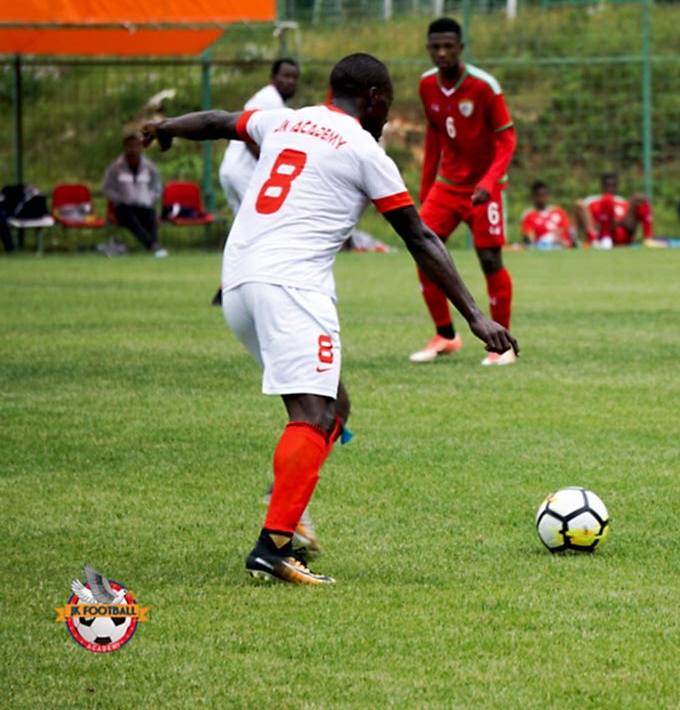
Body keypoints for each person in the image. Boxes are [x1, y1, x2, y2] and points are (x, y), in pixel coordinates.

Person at [141, 52, 518, 586]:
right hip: (291, 285)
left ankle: (288, 515)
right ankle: (274, 545)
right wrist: (476, 316)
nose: (387, 114)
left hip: (240, 283)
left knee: (332, 404)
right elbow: (420, 237)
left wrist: (167, 127)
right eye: (386, 103)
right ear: (371, 98)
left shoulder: (285, 120)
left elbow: (220, 121)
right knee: (315, 414)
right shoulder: (364, 149)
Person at [410, 17, 518, 366]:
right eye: (435, 47)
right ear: (428, 48)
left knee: (489, 260)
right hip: (448, 186)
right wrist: (426, 192)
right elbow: (434, 140)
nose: (441, 53)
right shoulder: (427, 85)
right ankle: (445, 334)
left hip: (485, 187)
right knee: (423, 253)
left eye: (448, 46)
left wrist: (489, 183)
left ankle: (501, 346)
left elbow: (507, 140)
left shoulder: (484, 87)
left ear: (460, 48)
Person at [213, 57, 300, 304]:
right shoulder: (270, 99)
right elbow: (251, 137)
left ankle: (232, 286)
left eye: (294, 77)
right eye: (285, 76)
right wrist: (273, 164)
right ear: (273, 78)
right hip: (244, 172)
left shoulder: (270, 99)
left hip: (232, 170)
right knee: (259, 230)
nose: (290, 81)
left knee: (247, 230)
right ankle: (235, 287)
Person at [101, 130, 166, 256]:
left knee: (150, 215)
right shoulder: (115, 167)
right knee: (131, 219)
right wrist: (118, 199)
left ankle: (153, 243)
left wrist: (150, 198)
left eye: (136, 146)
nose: (133, 149)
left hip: (144, 204)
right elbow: (107, 187)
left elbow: (156, 187)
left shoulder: (149, 167)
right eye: (130, 146)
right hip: (123, 206)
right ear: (125, 147)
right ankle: (151, 244)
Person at [573, 173, 653, 248]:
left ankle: (648, 238)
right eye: (607, 186)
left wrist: (616, 221)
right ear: (602, 186)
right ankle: (592, 240)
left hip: (621, 235)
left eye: (613, 186)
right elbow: (587, 222)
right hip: (599, 234)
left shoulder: (622, 202)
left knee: (639, 198)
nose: (610, 188)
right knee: (580, 203)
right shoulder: (592, 201)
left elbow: (628, 225)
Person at [519, 180, 575, 248]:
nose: (542, 199)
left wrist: (558, 236)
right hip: (544, 246)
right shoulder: (529, 215)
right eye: (539, 195)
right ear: (534, 196)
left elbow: (567, 228)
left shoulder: (558, 211)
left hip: (563, 244)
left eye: (544, 195)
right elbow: (530, 238)